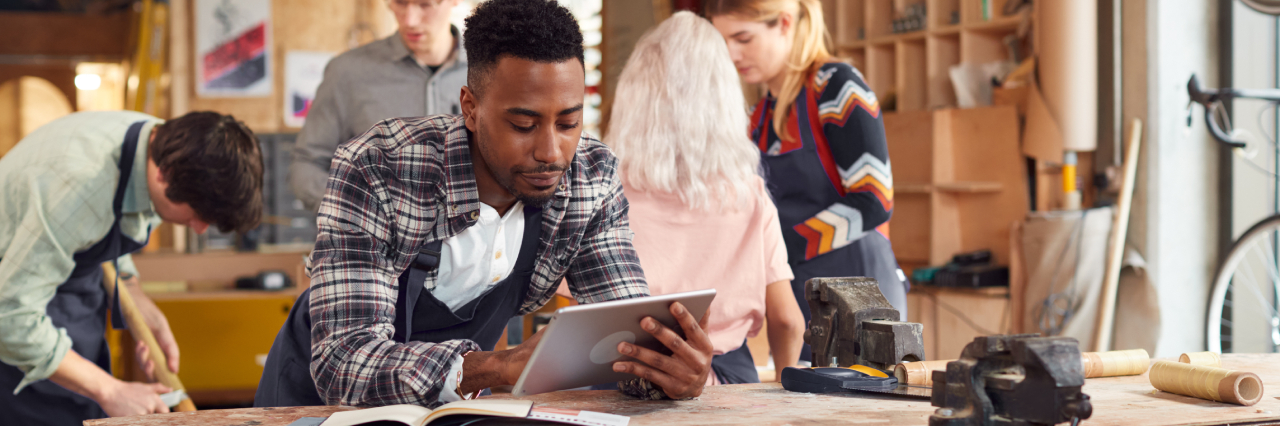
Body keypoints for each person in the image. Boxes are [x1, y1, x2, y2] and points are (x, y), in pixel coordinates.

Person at [255, 0, 713, 408]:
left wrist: (669, 374)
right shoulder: (379, 166)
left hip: (454, 400)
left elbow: (624, 336)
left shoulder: (590, 177)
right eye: (523, 124)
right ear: (470, 109)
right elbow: (344, 361)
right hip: (316, 404)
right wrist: (496, 367)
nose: (551, 151)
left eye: (569, 122)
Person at [582, 11, 805, 385]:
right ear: (724, 98)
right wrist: (786, 393)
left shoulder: (606, 190)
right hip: (728, 381)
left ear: (635, 93)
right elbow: (786, 320)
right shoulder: (748, 193)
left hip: (622, 374)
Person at [0, 111, 264, 424]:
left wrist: (135, 296)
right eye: (197, 214)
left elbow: (103, 223)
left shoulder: (166, 143)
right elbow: (11, 319)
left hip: (64, 284)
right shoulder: (79, 186)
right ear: (162, 175)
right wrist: (109, 390)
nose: (200, 228)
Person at [706, 0, 908, 359]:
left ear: (784, 23)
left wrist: (778, 248)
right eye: (724, 42)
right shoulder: (760, 115)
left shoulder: (838, 87)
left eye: (743, 38)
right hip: (801, 297)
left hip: (859, 293)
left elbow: (874, 201)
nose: (733, 54)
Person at [290, 0, 468, 212]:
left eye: (425, 4)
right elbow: (307, 164)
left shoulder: (493, 70)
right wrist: (356, 212)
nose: (410, 20)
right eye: (399, 2)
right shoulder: (347, 72)